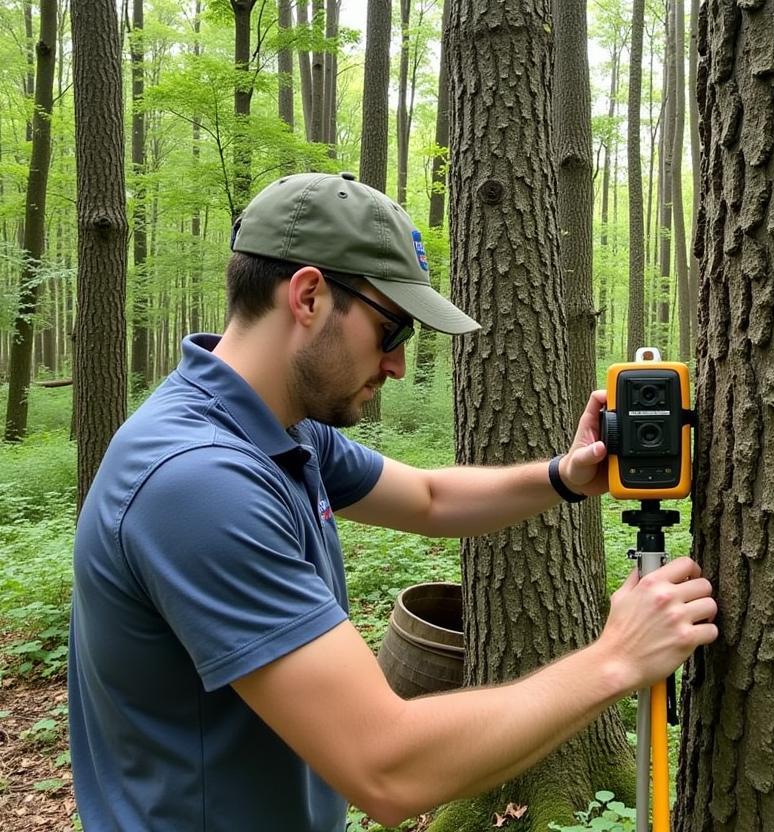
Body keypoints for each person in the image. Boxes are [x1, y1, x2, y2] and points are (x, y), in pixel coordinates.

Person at [69, 171, 718, 832]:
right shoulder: (198, 482)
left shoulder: (276, 427)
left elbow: (430, 499)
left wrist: (564, 475)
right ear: (310, 296)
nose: (400, 365)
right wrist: (616, 659)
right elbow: (387, 766)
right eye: (392, 329)